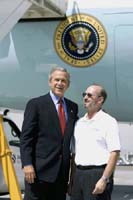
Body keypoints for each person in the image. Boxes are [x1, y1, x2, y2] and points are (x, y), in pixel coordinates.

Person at [20, 67, 78, 200]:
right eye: (56, 80)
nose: (60, 83)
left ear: (67, 85)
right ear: (50, 82)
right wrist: (27, 164)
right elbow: (26, 138)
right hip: (38, 172)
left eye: (63, 81)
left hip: (61, 175)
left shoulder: (72, 107)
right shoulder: (36, 104)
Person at [70, 84, 120, 200]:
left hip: (97, 174)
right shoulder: (79, 123)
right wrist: (72, 180)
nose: (85, 98)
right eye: (84, 94)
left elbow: (114, 153)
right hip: (78, 174)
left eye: (89, 95)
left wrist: (104, 179)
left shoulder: (108, 121)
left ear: (100, 100)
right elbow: (75, 154)